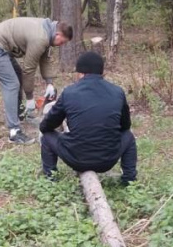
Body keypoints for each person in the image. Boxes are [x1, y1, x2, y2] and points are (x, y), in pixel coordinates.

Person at [39, 50, 137, 184]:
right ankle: (129, 179)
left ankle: (50, 178)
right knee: (129, 136)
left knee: (47, 137)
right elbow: (125, 126)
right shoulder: (117, 92)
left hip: (77, 158)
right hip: (107, 160)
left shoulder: (69, 92)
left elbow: (48, 125)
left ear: (81, 73)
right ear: (101, 72)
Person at [0, 16, 73, 144]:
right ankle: (14, 132)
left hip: (2, 46)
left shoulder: (47, 32)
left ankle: (20, 115)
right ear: (57, 34)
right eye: (62, 42)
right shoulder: (40, 38)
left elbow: (44, 59)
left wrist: (49, 83)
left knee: (17, 75)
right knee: (12, 84)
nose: (61, 45)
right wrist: (30, 98)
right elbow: (29, 69)